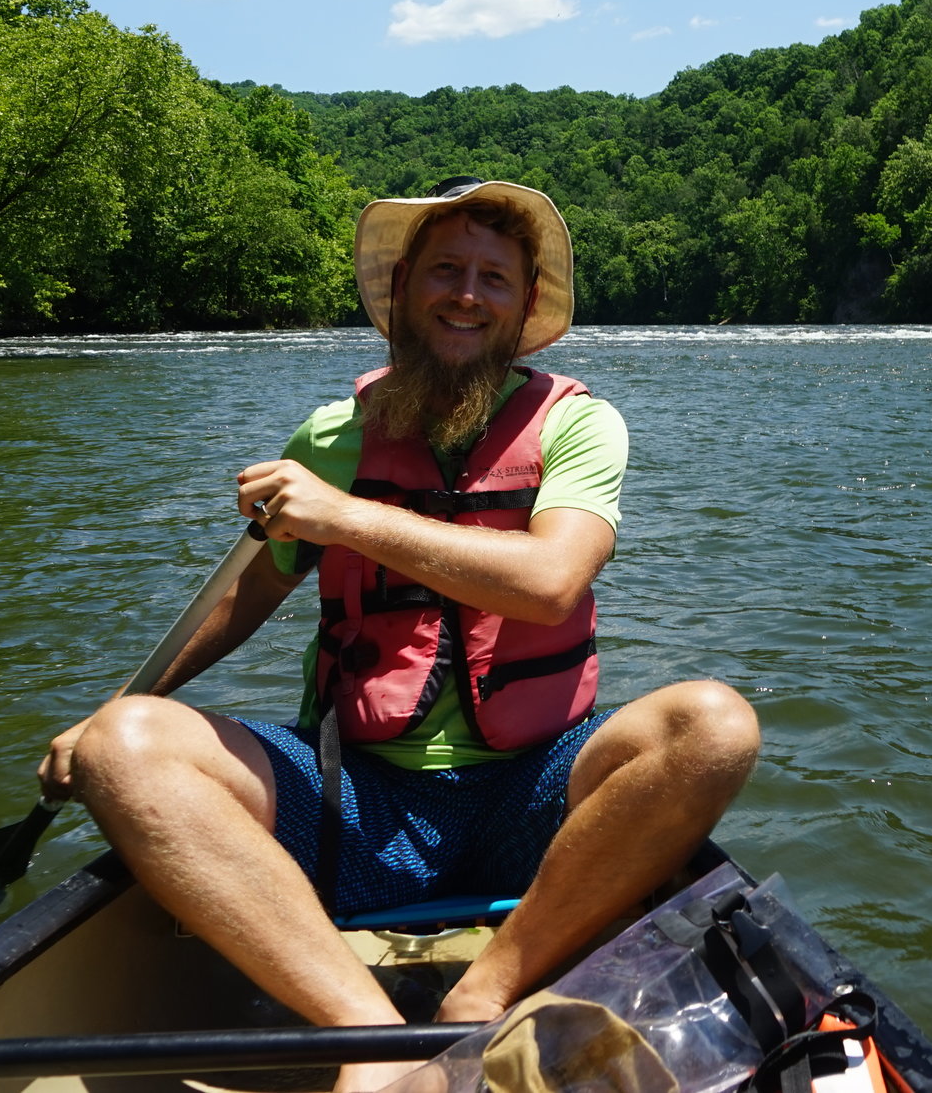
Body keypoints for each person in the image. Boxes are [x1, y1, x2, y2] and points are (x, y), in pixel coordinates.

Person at [38, 178, 759, 1093]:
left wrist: (346, 517)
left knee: (713, 725)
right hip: (356, 799)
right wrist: (119, 708)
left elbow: (550, 584)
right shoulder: (332, 437)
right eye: (446, 270)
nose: (467, 293)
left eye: (493, 277)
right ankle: (369, 1034)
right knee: (123, 746)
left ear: (523, 305)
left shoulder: (579, 423)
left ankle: (481, 998)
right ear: (404, 290)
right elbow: (244, 597)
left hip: (532, 797)